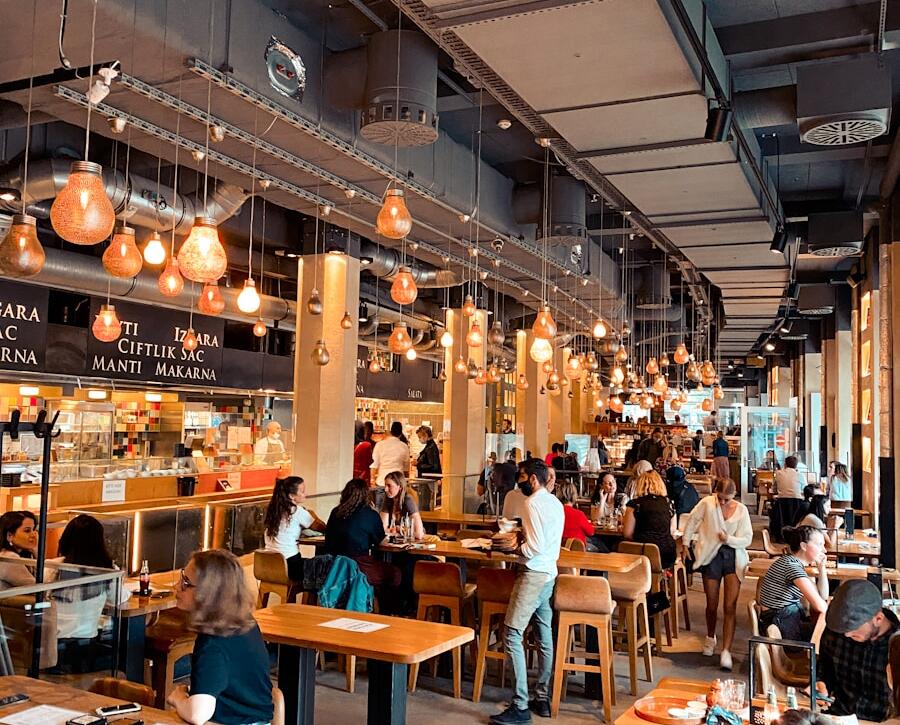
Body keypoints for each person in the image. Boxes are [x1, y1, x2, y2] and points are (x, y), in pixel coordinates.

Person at [490, 459, 563, 725]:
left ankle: (520, 704)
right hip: (549, 574)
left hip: (532, 573)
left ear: (533, 479)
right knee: (544, 634)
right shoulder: (556, 504)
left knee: (512, 632)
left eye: (522, 477)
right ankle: (541, 697)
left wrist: (513, 548)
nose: (518, 481)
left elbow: (534, 547)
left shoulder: (532, 504)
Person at [167, 549, 273, 725]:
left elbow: (198, 714)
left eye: (186, 582)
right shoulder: (244, 623)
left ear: (208, 593)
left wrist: (178, 699)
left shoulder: (213, 644)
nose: (177, 587)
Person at [683, 479, 752, 671]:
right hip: (710, 556)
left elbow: (747, 538)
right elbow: (692, 521)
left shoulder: (742, 510)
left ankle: (726, 650)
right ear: (715, 493)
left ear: (734, 495)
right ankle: (710, 636)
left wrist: (728, 539)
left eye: (727, 500)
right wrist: (685, 543)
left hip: (734, 556)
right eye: (720, 498)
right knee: (711, 603)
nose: (722, 503)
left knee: (730, 606)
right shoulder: (707, 503)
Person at [818, 579, 900, 721]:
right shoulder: (837, 630)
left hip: (880, 721)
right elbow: (825, 667)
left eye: (853, 627)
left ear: (878, 619)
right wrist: (821, 683)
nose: (846, 635)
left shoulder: (896, 648)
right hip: (839, 716)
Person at [51, 514, 131, 640]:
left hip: (52, 639)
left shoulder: (52, 566)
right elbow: (119, 598)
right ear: (99, 542)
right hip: (85, 639)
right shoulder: (106, 570)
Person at [325, 479, 401, 610]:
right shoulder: (370, 514)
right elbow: (380, 540)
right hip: (359, 567)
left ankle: (363, 598)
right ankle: (384, 610)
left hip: (334, 567)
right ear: (366, 495)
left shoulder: (335, 512)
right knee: (395, 573)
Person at [757, 525, 829, 641]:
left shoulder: (790, 562)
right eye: (819, 544)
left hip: (782, 620)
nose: (824, 550)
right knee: (828, 636)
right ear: (804, 546)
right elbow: (820, 606)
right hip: (780, 627)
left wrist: (822, 568)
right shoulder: (792, 568)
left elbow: (822, 597)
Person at [263, 476, 325, 581]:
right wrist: (312, 514)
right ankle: (312, 597)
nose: (306, 494)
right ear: (291, 495)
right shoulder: (296, 511)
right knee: (325, 567)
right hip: (290, 565)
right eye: (303, 491)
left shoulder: (273, 510)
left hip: (268, 565)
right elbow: (322, 528)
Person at [623, 470, 677, 569]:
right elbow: (672, 531)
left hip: (642, 552)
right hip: (666, 554)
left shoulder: (635, 504)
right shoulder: (669, 503)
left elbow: (627, 533)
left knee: (616, 547)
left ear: (639, 485)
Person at [380, 471, 425, 541]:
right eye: (385, 485)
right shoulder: (388, 500)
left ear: (400, 487)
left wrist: (398, 530)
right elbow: (382, 529)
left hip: (411, 544)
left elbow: (419, 534)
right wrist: (399, 531)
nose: (385, 489)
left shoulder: (408, 500)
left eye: (389, 486)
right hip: (396, 543)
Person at [0, 511, 37, 589]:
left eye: (34, 529)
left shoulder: (23, 554)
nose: (34, 535)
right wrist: (38, 554)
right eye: (27, 531)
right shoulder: (9, 558)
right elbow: (37, 589)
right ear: (10, 536)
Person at [796, 484, 841, 549]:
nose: (830, 509)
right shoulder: (814, 519)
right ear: (820, 506)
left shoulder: (813, 516)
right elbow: (829, 545)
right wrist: (836, 526)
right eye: (828, 506)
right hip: (804, 552)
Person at [370, 421, 410, 491]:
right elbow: (406, 468)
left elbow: (374, 465)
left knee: (381, 502)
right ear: (401, 433)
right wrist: (406, 481)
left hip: (382, 482)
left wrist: (372, 479)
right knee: (397, 502)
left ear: (390, 432)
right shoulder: (404, 446)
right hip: (398, 483)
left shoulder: (380, 445)